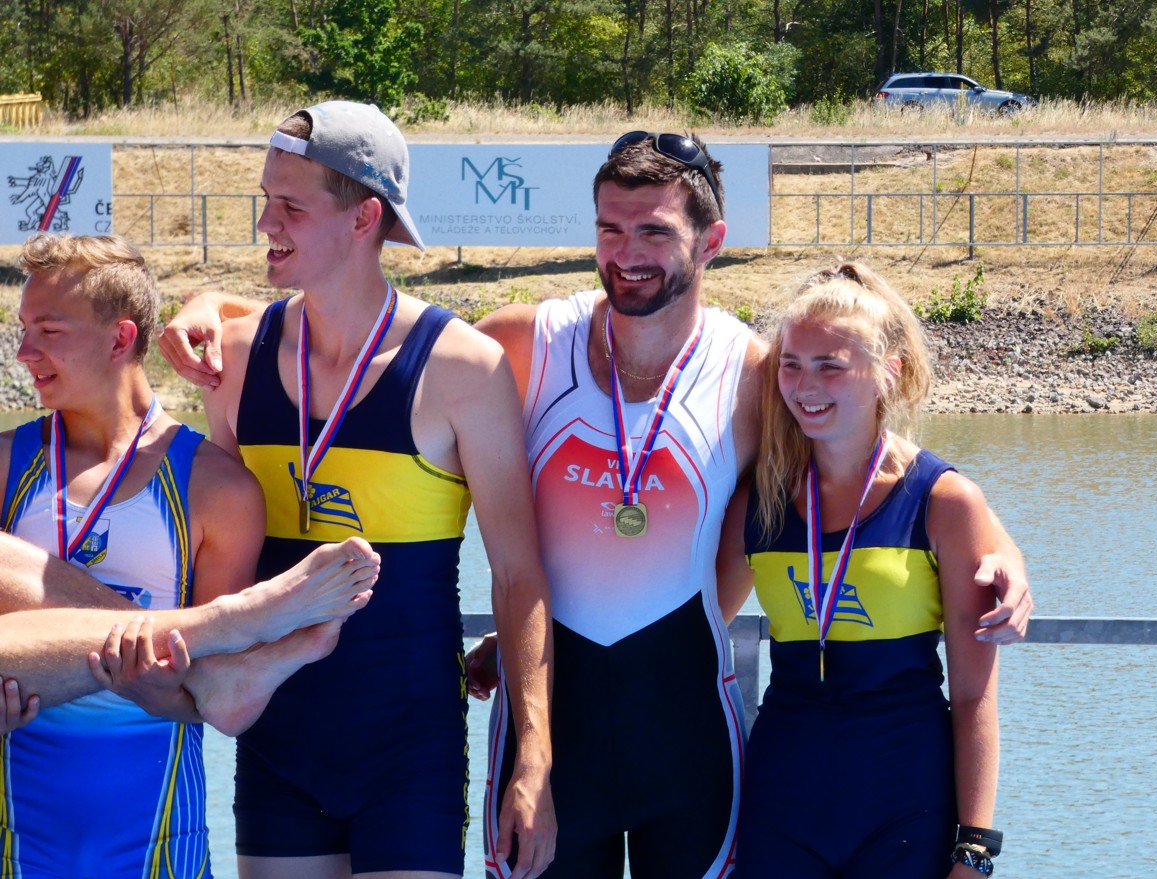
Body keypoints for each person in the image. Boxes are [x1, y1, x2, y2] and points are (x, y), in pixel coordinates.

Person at [161, 131, 1032, 879]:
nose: (627, 252)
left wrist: (1001, 549)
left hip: (688, 733)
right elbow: (369, 327)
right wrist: (210, 304)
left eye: (654, 231)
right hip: (551, 734)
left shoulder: (756, 372)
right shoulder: (522, 341)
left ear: (712, 240)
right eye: (610, 229)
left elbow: (878, 467)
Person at [163, 100, 556, 879]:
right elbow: (214, 566)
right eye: (266, 200)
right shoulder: (233, 360)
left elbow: (518, 574)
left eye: (291, 206)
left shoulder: (463, 368)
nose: (265, 223)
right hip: (276, 737)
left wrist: (533, 758)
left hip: (410, 750)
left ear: (364, 217)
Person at [0, 232, 380, 878]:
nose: (23, 352)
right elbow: (215, 688)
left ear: (120, 339)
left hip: (156, 849)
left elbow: (201, 695)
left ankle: (219, 633)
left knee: (209, 678)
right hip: (16, 843)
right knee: (212, 665)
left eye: (48, 331)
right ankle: (230, 621)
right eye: (23, 329)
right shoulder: (6, 464)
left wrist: (161, 687)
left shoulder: (217, 489)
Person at [723, 262, 1002, 878]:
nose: (805, 386)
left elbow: (975, 694)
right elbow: (692, 627)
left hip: (905, 804)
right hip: (782, 800)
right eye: (792, 364)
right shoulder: (757, 503)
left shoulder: (944, 502)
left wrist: (976, 848)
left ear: (887, 371)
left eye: (831, 366)